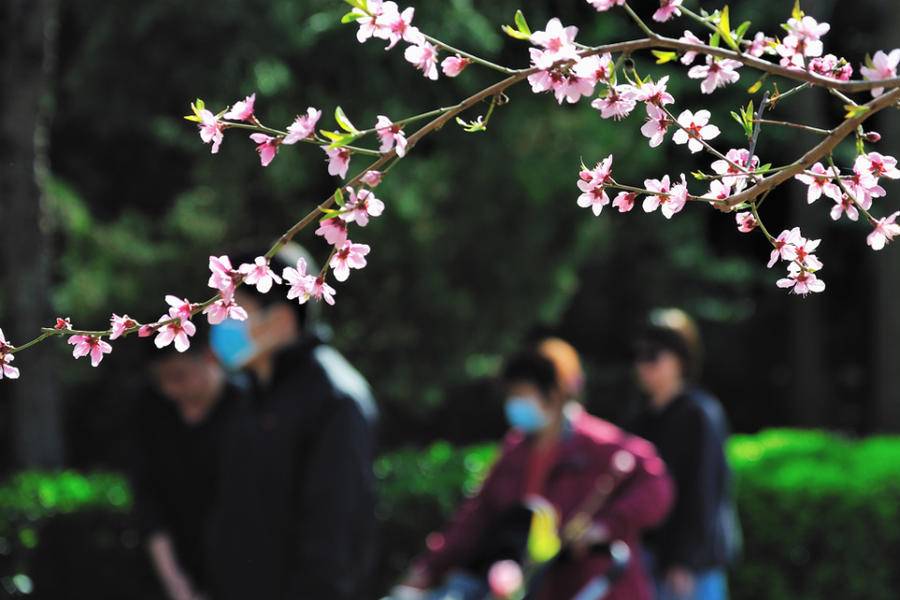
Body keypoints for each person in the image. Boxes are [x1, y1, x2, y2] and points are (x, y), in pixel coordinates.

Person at [398, 341, 673, 600]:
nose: (514, 405)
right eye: (511, 396)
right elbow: (475, 516)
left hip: (596, 588)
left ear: (552, 394)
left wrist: (604, 527)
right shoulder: (515, 450)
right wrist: (429, 568)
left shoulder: (601, 446)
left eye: (521, 395)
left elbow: (656, 487)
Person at [204, 242, 378, 600]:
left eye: (230, 309)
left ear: (280, 320)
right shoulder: (247, 395)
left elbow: (333, 535)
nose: (217, 322)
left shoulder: (335, 399)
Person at [628, 309, 741, 600]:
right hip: (650, 558)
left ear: (680, 359)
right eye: (639, 356)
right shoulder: (642, 421)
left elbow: (704, 491)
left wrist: (685, 561)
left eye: (653, 355)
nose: (644, 365)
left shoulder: (699, 414)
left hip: (694, 568)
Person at [131, 321, 239, 600]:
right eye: (160, 380)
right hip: (172, 568)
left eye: (179, 376)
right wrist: (175, 583)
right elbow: (148, 499)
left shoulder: (246, 405)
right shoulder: (152, 410)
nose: (169, 389)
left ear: (209, 357)